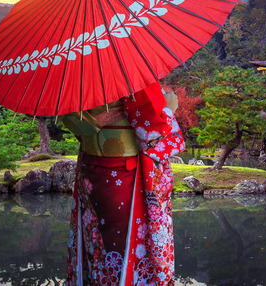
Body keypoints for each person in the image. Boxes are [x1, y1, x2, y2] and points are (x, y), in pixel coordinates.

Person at [62, 82, 185, 285]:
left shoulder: (80, 78)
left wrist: (95, 121)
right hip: (125, 174)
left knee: (96, 239)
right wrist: (169, 107)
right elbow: (153, 135)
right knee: (122, 242)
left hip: (90, 173)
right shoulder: (133, 79)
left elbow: (74, 124)